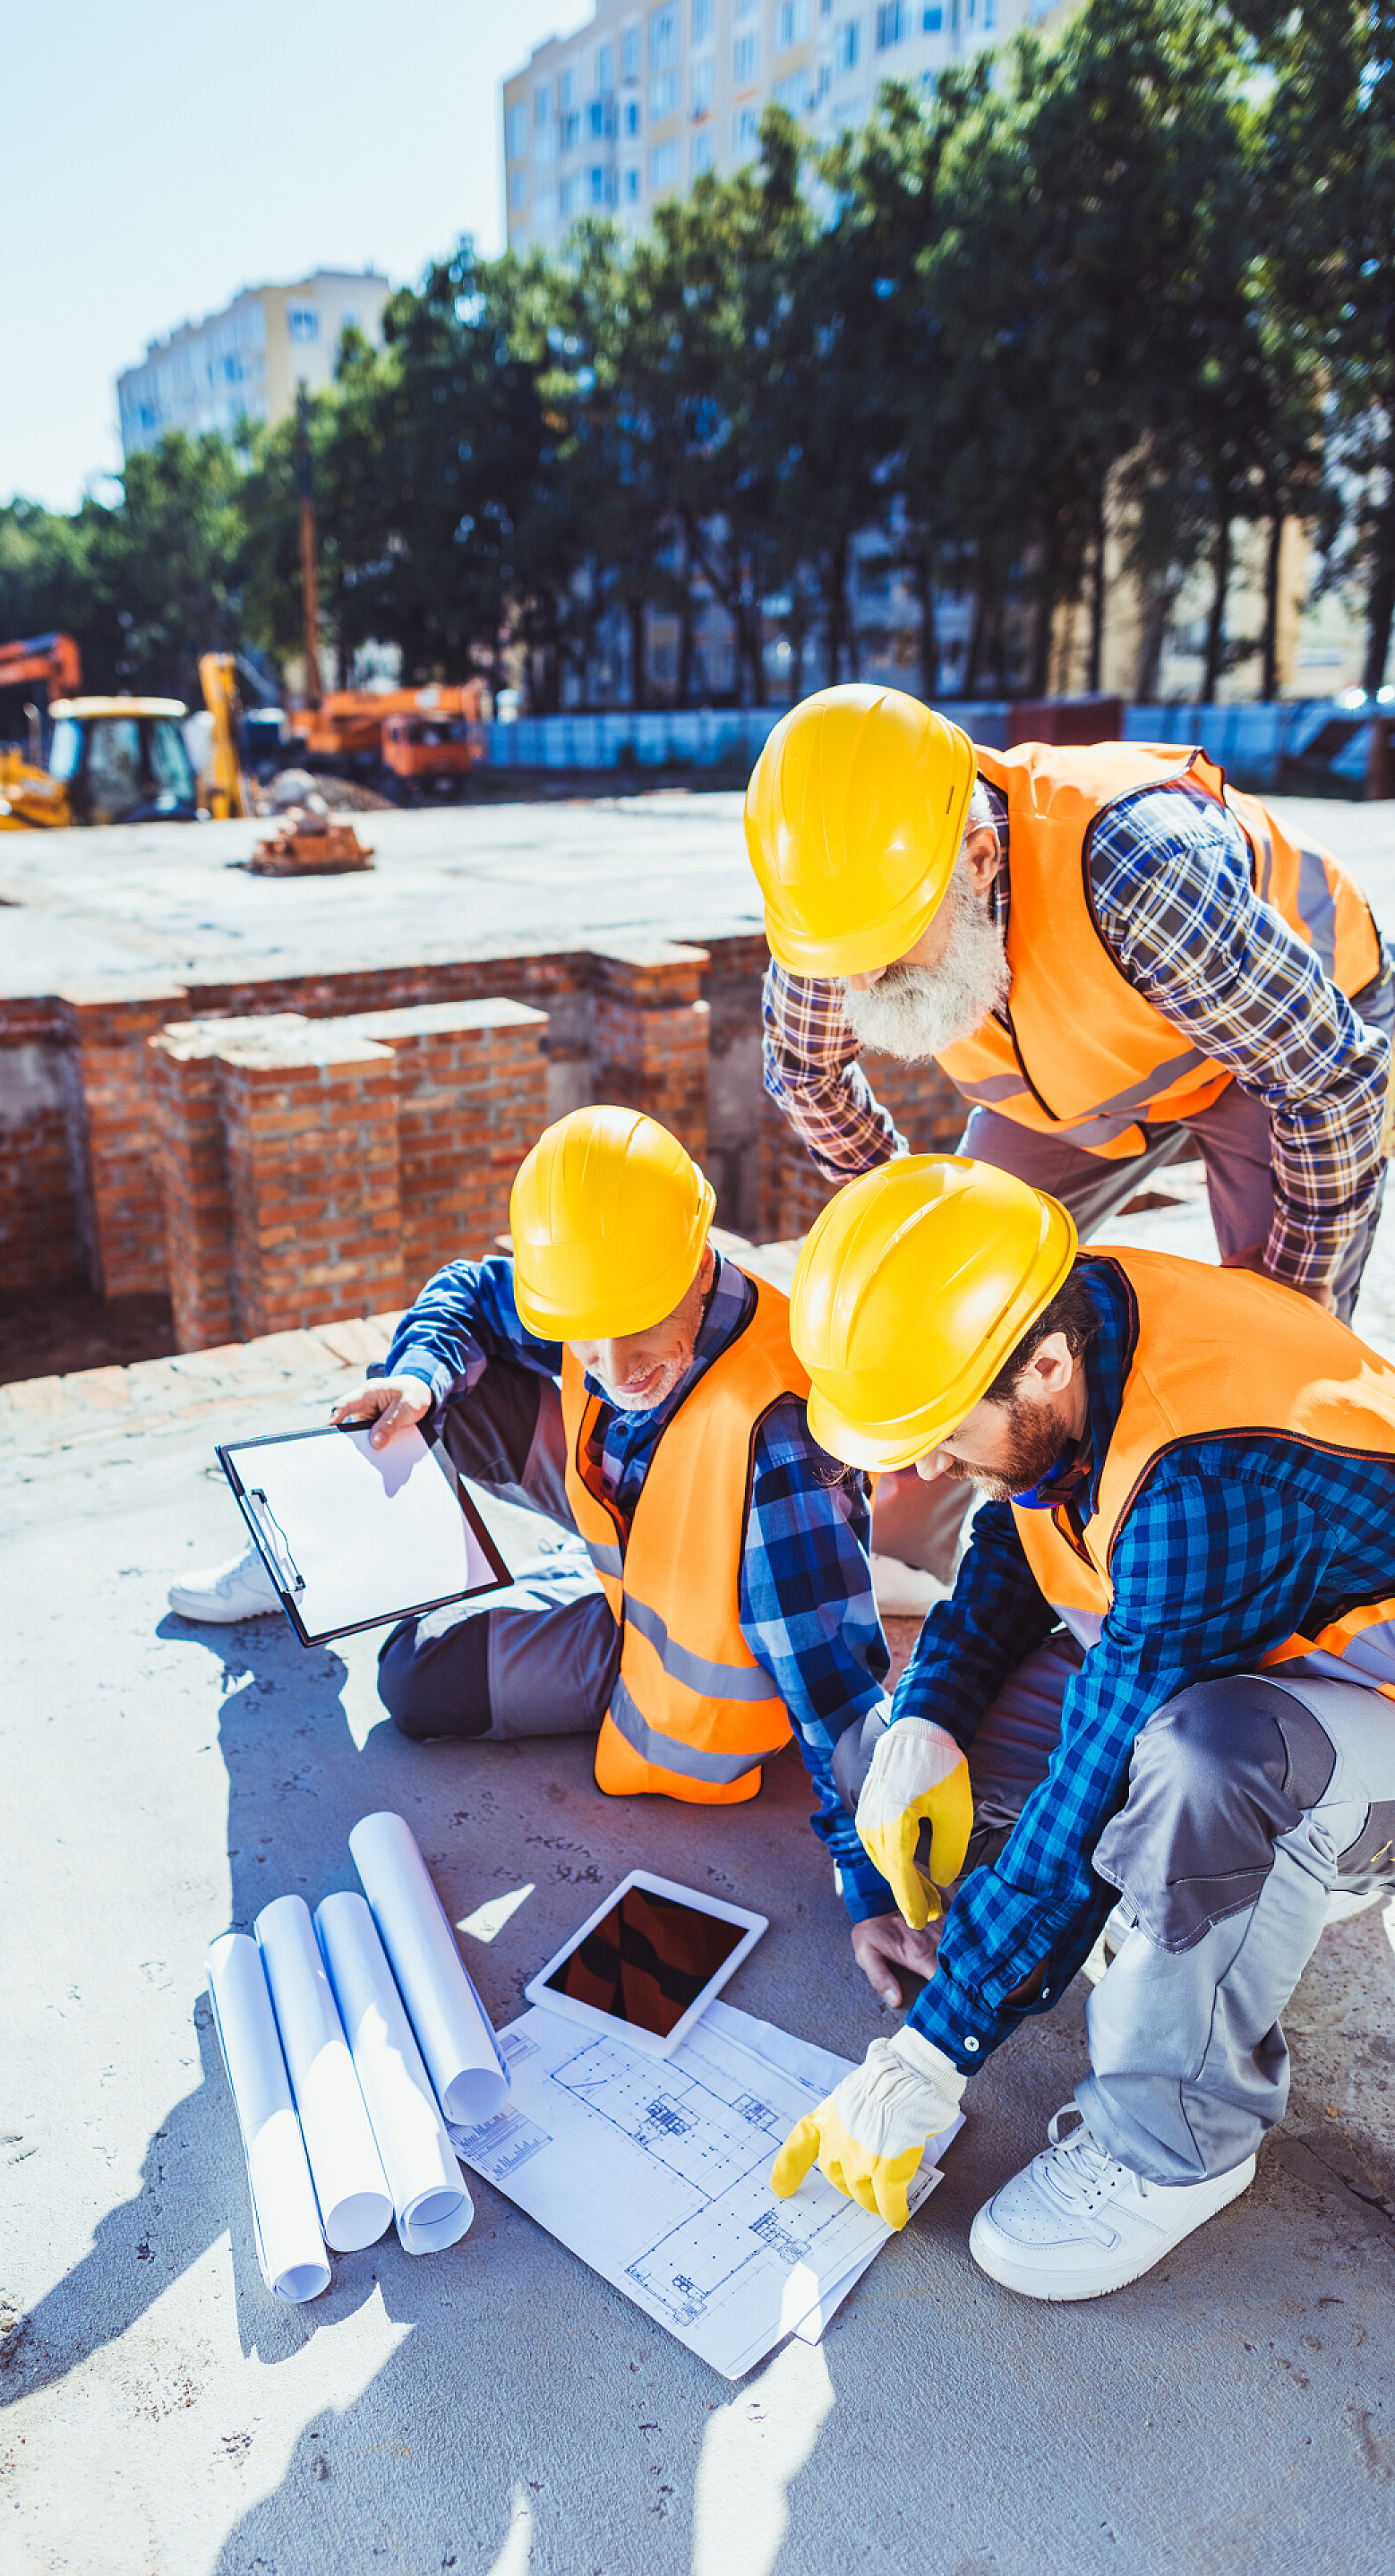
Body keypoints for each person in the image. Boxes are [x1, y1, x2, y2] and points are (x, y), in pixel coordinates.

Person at [769, 1151, 1395, 2303]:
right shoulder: (1053, 1320)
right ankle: (1104, 1932)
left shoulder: (1197, 1481)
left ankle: (1179, 2144)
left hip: (1371, 1737)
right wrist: (933, 1716)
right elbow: (1018, 1542)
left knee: (1202, 1763)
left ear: (1046, 1366)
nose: (914, 1464)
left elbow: (1101, 1776)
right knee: (956, 1747)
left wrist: (933, 2049)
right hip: (1254, 1649)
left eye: (935, 1430)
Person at [171, 1106, 897, 1856]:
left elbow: (833, 1683)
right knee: (432, 1393)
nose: (615, 1371)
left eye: (639, 1321)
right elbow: (469, 1293)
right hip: (636, 1537)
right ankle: (309, 1554)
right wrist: (416, 1378)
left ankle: (580, 1587)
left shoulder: (778, 1430)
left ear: (700, 1260)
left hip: (681, 1669)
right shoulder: (598, 1284)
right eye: (586, 1331)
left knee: (413, 1679)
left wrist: (867, 1869)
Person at [749, 684, 1393, 1325]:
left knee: (1274, 1330)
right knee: (962, 1287)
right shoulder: (831, 903)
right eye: (840, 955)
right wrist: (899, 1204)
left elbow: (1332, 1085)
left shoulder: (1137, 870)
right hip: (1088, 1079)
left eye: (888, 942)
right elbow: (807, 1070)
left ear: (978, 860)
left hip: (1281, 1048)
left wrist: (1301, 1298)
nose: (857, 983)